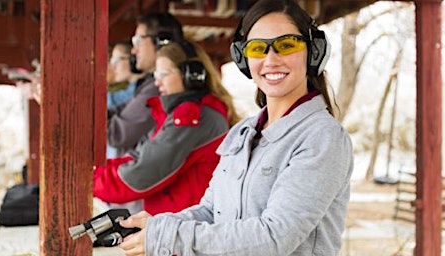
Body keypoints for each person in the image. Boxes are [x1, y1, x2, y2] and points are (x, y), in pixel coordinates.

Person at [118, 0, 354, 255]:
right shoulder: (243, 132)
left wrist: (168, 235)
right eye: (257, 48)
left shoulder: (322, 137)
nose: (271, 59)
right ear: (245, 59)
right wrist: (156, 226)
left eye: (287, 45)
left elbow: (274, 238)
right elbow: (211, 211)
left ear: (313, 51)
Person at [93, 40, 240, 215]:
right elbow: (138, 156)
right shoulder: (180, 113)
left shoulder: (192, 117)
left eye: (164, 74)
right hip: (176, 223)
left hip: (184, 228)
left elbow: (142, 173)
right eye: (156, 75)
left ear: (190, 75)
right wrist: (95, 172)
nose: (157, 83)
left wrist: (86, 182)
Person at [107, 12, 185, 157]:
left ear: (161, 42)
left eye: (138, 41)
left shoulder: (157, 89)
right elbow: (116, 111)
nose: (133, 50)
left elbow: (117, 133)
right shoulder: (149, 85)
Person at [107, 41, 145, 158]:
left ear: (133, 59)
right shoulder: (133, 89)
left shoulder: (140, 91)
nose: (113, 67)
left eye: (116, 61)